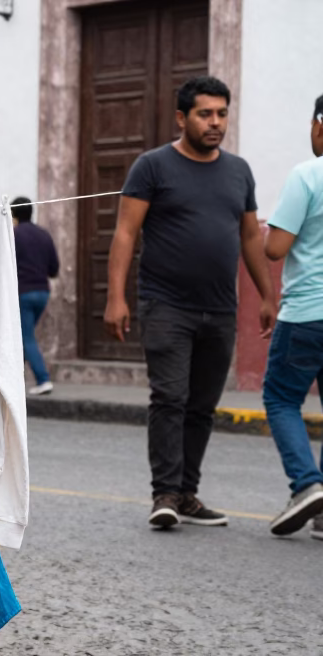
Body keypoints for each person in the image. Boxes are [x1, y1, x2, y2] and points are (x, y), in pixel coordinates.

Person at [105, 76, 276, 530]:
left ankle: (188, 494)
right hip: (166, 304)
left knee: (202, 405)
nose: (215, 122)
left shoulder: (239, 171)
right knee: (170, 397)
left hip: (219, 308)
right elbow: (125, 233)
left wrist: (266, 295)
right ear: (183, 118)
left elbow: (248, 237)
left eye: (221, 113)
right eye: (205, 113)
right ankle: (164, 493)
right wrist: (115, 297)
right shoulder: (152, 166)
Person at [262, 94, 323, 540]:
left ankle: (306, 485)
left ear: (318, 127)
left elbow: (275, 248)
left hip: (308, 312)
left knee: (281, 397)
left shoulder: (307, 174)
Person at [12, 196, 60, 396]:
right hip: (42, 292)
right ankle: (15, 379)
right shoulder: (44, 235)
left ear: (13, 215)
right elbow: (54, 269)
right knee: (24, 335)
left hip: (23, 293)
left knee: (25, 337)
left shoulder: (13, 235)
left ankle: (43, 379)